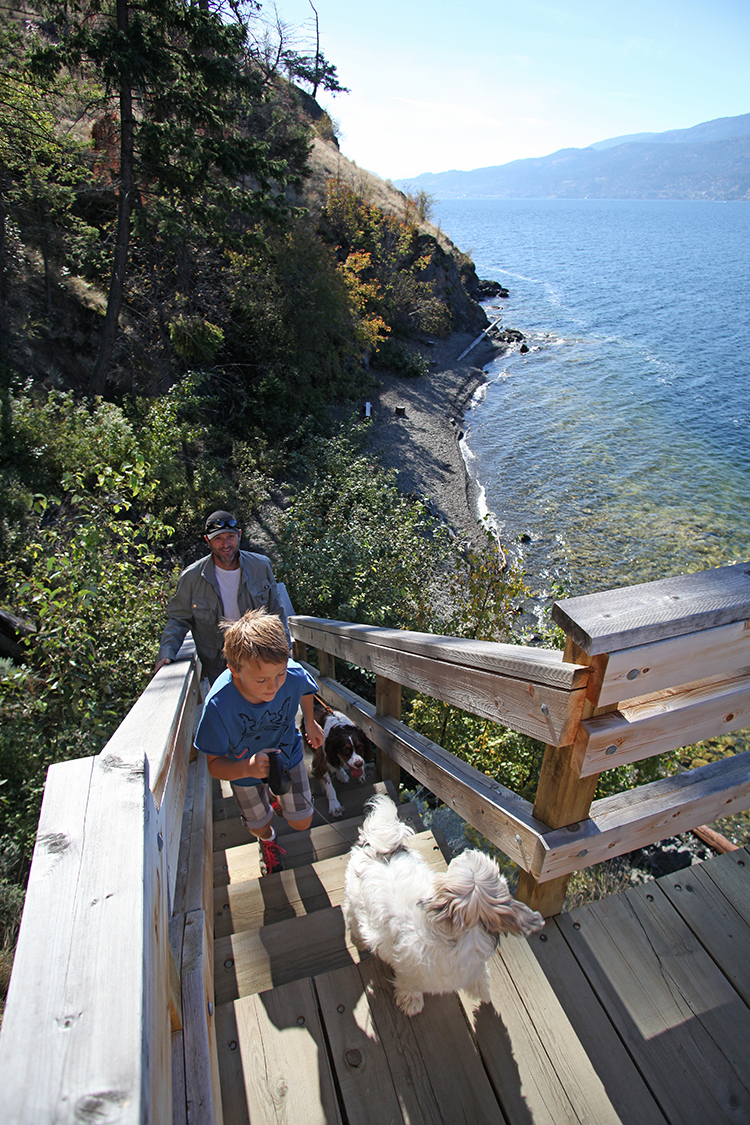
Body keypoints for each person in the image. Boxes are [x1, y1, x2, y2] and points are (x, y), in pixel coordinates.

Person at [194, 608, 324, 875]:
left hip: (287, 754)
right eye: (262, 679)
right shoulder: (218, 706)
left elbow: (304, 688)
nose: (273, 686)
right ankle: (267, 841)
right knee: (258, 824)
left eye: (280, 675)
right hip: (243, 771)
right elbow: (214, 765)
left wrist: (310, 722)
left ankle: (276, 795)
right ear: (234, 670)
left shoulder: (292, 675)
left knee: (302, 822)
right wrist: (246, 769)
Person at [154, 509, 289, 684]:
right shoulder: (192, 577)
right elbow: (178, 619)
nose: (226, 544)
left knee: (263, 706)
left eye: (230, 537)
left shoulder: (260, 566)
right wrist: (167, 652)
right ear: (207, 541)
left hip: (260, 657)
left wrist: (285, 650)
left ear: (239, 535)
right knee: (230, 710)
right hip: (218, 664)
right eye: (218, 538)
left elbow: (276, 612)